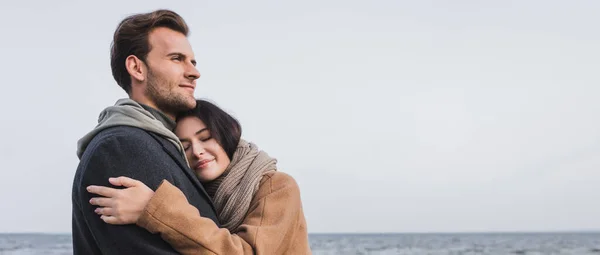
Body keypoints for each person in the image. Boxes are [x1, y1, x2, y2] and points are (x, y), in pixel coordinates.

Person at [72, 10, 219, 254]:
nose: (194, 72)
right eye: (176, 58)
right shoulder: (121, 149)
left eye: (193, 62)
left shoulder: (166, 144)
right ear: (136, 68)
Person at [86, 99, 312, 254]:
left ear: (227, 135)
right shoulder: (198, 194)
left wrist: (155, 209)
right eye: (184, 147)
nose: (197, 151)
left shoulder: (277, 186)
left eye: (205, 138)